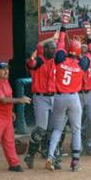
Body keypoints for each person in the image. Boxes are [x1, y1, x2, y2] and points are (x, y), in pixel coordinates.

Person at [46, 27, 90, 172]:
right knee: (76, 130)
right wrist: (88, 37)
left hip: (59, 97)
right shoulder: (82, 63)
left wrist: (63, 28)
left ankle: (50, 156)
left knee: (57, 129)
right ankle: (75, 162)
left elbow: (59, 45)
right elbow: (88, 54)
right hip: (73, 97)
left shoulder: (60, 59)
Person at [24, 33, 58, 169]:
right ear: (45, 50)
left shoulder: (55, 61)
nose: (54, 51)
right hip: (41, 97)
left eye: (54, 48)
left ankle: (48, 153)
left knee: (53, 128)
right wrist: (51, 38)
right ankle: (30, 155)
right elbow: (37, 49)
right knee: (41, 129)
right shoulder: (39, 61)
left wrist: (59, 34)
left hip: (54, 97)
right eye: (51, 48)